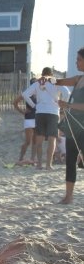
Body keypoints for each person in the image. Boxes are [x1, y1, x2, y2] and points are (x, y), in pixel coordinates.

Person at [22, 67, 70, 170]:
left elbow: (25, 94)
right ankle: (48, 164)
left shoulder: (37, 83)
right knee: (52, 140)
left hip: (40, 112)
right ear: (51, 74)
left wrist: (34, 105)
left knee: (39, 140)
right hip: (53, 112)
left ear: (42, 74)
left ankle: (39, 164)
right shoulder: (55, 82)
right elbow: (67, 93)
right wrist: (61, 104)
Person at [56, 47, 84, 204]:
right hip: (72, 127)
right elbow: (59, 81)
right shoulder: (78, 79)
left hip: (83, 128)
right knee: (70, 162)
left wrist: (67, 105)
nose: (76, 62)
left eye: (79, 59)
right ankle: (68, 196)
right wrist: (46, 80)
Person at [13, 78, 37, 165]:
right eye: (33, 83)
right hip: (29, 118)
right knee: (28, 141)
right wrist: (22, 111)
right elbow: (15, 102)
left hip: (38, 118)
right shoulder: (27, 93)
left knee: (35, 141)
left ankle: (32, 159)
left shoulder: (40, 93)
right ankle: (20, 158)